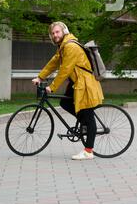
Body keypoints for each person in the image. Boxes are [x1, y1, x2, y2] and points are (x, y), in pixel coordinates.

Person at [32, 21, 104, 160]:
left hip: (85, 84)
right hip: (76, 83)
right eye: (52, 33)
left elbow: (65, 70)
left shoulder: (70, 46)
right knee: (65, 104)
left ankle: (88, 151)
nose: (55, 35)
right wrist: (40, 77)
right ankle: (85, 125)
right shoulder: (63, 47)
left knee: (87, 115)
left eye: (57, 32)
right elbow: (53, 63)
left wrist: (52, 87)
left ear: (64, 31)